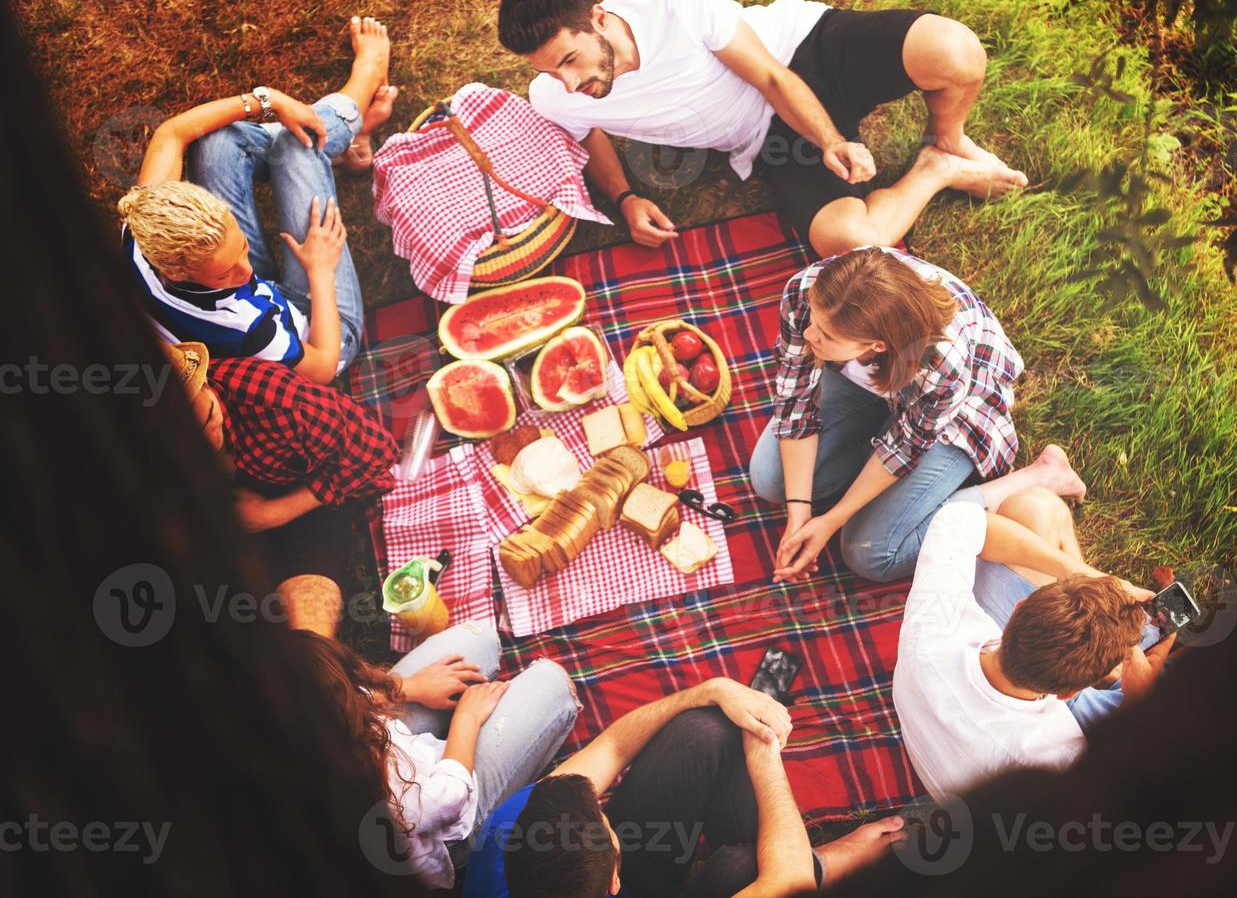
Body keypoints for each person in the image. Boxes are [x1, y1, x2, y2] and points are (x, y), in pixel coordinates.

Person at [497, 0, 1027, 256]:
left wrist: (831, 140)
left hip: (801, 49)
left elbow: (772, 77)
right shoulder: (555, 95)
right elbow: (586, 134)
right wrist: (627, 196)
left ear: (598, 18)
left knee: (954, 51)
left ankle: (949, 138)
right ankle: (937, 169)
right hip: (764, 135)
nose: (568, 83)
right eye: (549, 73)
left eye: (569, 59)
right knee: (850, 242)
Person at [750, 246, 1075, 583]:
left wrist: (830, 520)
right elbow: (796, 401)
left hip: (959, 409)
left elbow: (904, 448)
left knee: (871, 553)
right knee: (770, 478)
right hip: (864, 381)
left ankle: (1035, 478)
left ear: (876, 345)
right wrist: (799, 510)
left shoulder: (941, 356)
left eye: (826, 335)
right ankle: (879, 469)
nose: (808, 333)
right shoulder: (812, 292)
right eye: (814, 321)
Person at [120, 16, 400, 382]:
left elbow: (172, 133)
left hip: (255, 299)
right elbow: (322, 368)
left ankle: (343, 137)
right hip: (319, 331)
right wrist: (319, 269)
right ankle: (359, 94)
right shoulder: (246, 329)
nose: (246, 269)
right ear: (176, 272)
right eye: (225, 270)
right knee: (296, 146)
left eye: (239, 247)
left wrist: (269, 100)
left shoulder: (143, 228)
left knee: (217, 143)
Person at [462, 678, 904, 898]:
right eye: (607, 819)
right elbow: (790, 882)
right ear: (615, 879)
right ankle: (787, 850)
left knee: (704, 729)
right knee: (742, 869)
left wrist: (707, 691)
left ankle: (779, 844)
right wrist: (764, 759)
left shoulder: (509, 826)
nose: (604, 806)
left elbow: (614, 745)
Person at [892, 488, 1167, 799]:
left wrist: (1091, 578)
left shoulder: (930, 632)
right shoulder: (1063, 761)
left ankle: (1115, 661)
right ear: (1068, 693)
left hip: (957, 749)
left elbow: (957, 519)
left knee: (1032, 508)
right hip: (1050, 726)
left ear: (1019, 608)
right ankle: (1126, 671)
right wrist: (1140, 702)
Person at [289, 623, 579, 891]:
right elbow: (446, 798)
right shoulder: (365, 798)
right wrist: (467, 718)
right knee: (553, 683)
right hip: (444, 827)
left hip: (397, 753)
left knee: (479, 637)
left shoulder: (285, 721)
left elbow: (344, 694)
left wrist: (410, 687)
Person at [164, 340, 397, 635]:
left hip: (307, 506)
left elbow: (377, 449)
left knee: (308, 637)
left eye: (208, 419)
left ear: (207, 383)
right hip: (224, 531)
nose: (209, 443)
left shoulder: (274, 398)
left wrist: (271, 514)